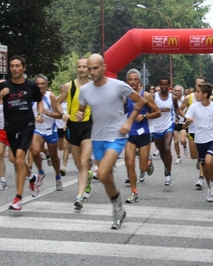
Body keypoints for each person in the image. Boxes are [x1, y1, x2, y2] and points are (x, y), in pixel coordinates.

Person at [76, 53, 145, 229]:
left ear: (104, 68)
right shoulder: (85, 91)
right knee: (107, 177)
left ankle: (116, 208)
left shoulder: (118, 86)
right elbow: (81, 109)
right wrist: (79, 114)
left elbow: (140, 101)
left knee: (102, 173)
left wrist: (129, 121)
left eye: (95, 68)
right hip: (97, 137)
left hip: (117, 135)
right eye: (89, 68)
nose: (92, 72)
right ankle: (118, 207)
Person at [0, 55, 43, 210]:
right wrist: (0, 96)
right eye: (12, 66)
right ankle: (32, 177)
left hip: (27, 126)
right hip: (10, 128)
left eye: (18, 66)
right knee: (14, 159)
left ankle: (18, 198)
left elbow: (39, 100)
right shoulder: (3, 86)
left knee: (19, 159)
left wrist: (39, 114)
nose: (14, 68)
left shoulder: (31, 86)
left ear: (23, 68)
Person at [58, 57, 94, 210]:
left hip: (90, 125)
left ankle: (79, 197)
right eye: (79, 67)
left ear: (89, 69)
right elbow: (56, 102)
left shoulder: (95, 86)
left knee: (84, 161)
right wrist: (63, 114)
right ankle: (88, 177)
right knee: (79, 163)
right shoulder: (68, 86)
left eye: (84, 67)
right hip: (73, 126)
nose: (81, 69)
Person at [124, 69, 160, 203]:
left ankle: (148, 163)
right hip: (130, 134)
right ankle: (134, 192)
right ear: (127, 81)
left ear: (139, 81)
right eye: (130, 80)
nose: (132, 82)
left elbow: (157, 112)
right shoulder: (125, 96)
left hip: (144, 133)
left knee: (142, 168)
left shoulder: (146, 96)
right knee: (129, 162)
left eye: (135, 79)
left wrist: (144, 116)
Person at [185, 82, 213, 202]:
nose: (195, 94)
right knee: (204, 167)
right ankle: (209, 188)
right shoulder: (193, 107)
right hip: (199, 139)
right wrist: (188, 121)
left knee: (208, 161)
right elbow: (184, 124)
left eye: (198, 92)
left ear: (205, 94)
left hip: (212, 138)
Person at [30, 74, 64, 194]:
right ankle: (40, 171)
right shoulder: (31, 96)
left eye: (42, 84)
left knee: (54, 157)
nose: (39, 86)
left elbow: (59, 114)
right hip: (37, 129)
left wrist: (47, 113)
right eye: (37, 84)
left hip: (50, 129)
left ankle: (58, 176)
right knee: (34, 151)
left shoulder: (51, 96)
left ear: (46, 85)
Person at [178, 77, 207, 189]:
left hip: (204, 130)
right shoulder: (189, 97)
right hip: (192, 129)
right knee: (194, 155)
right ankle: (199, 161)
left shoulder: (208, 98)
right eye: (197, 84)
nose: (199, 86)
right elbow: (180, 109)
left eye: (201, 84)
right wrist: (186, 117)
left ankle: (201, 177)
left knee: (202, 156)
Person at [152, 77, 179, 186]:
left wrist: (177, 117)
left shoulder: (173, 98)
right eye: (161, 85)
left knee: (167, 148)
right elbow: (149, 109)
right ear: (159, 85)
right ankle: (166, 165)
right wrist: (161, 110)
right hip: (156, 127)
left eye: (165, 85)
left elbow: (176, 107)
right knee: (162, 151)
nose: (163, 87)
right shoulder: (154, 97)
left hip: (168, 125)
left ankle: (168, 174)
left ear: (169, 85)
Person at [172, 84, 188, 164]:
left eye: (179, 91)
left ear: (181, 92)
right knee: (175, 141)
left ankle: (185, 146)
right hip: (174, 123)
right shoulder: (171, 100)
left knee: (182, 140)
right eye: (175, 91)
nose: (177, 92)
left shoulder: (184, 100)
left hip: (183, 123)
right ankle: (178, 157)